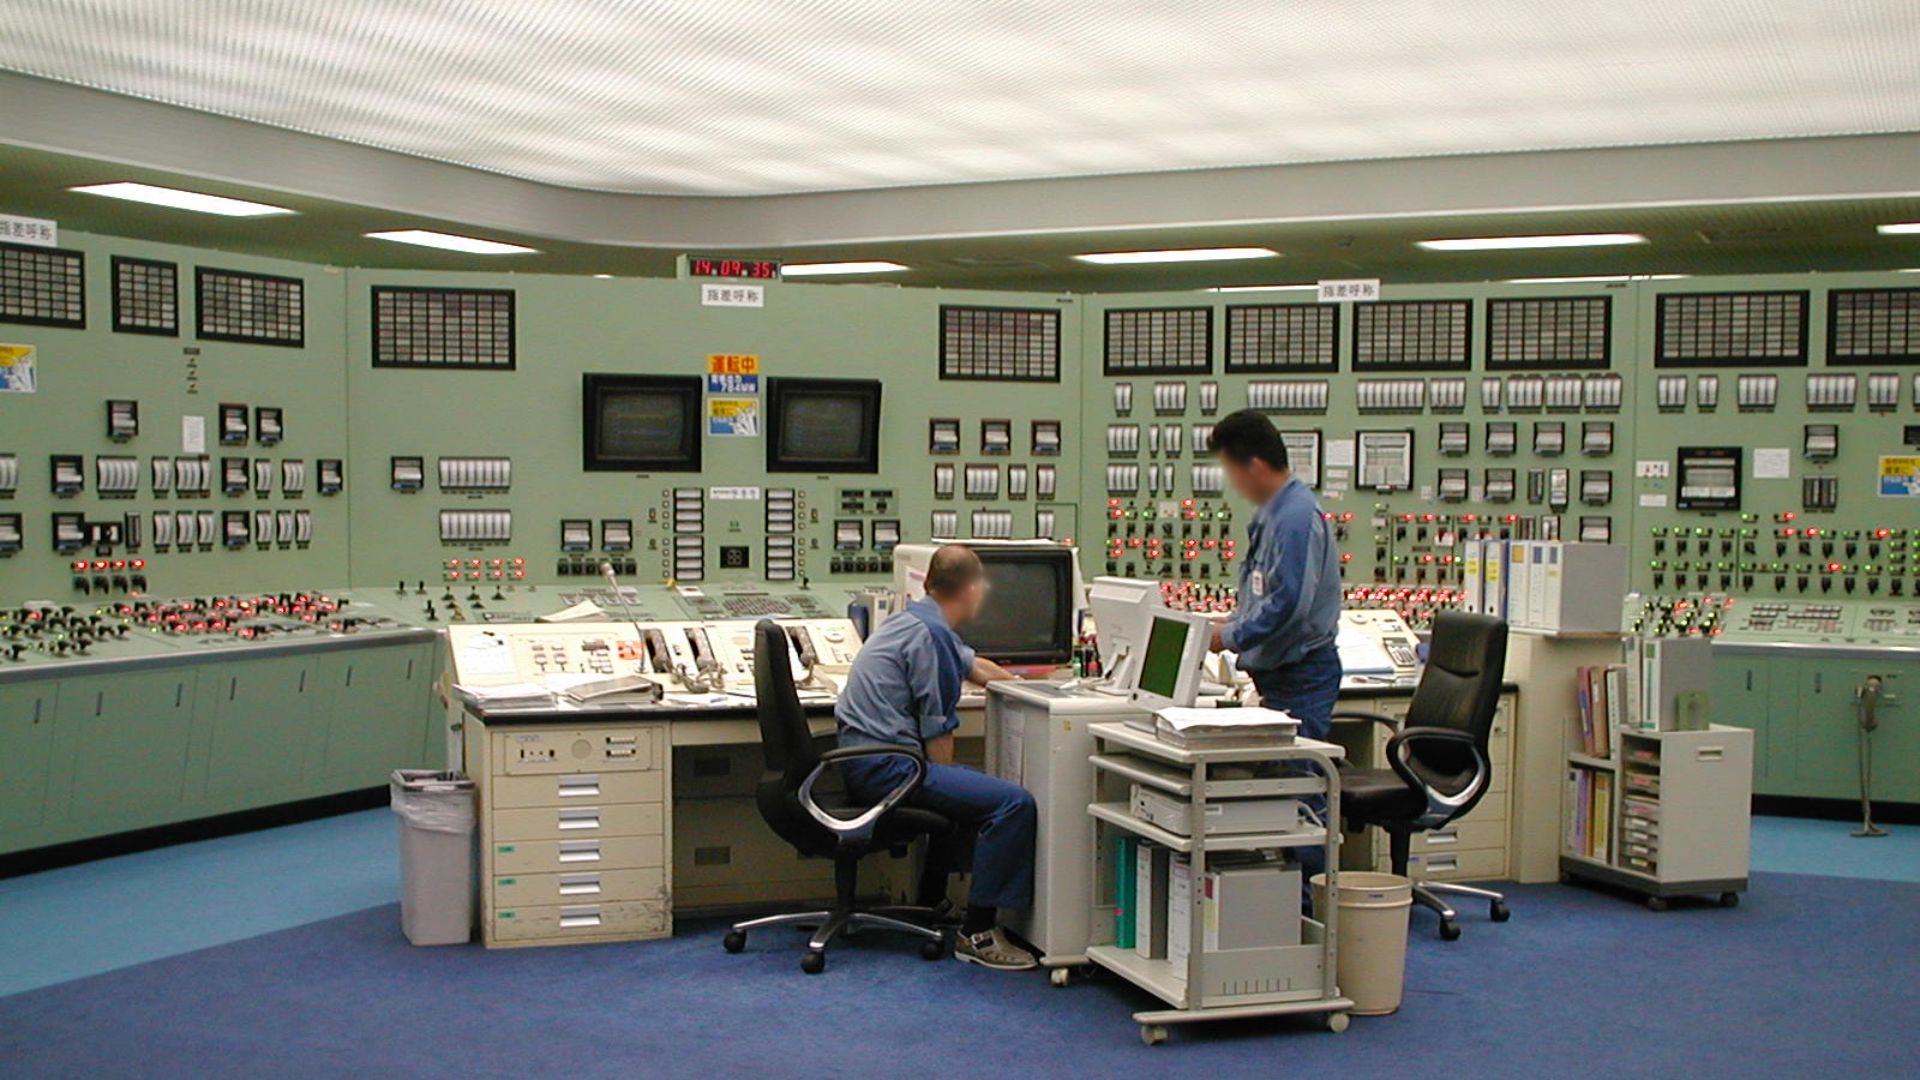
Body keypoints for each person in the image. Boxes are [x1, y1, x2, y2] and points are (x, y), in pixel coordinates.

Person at [835, 544, 1039, 971]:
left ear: (928, 583)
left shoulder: (915, 620)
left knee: (966, 789)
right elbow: (938, 733)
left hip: (865, 760)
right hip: (888, 768)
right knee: (1012, 803)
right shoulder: (933, 634)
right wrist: (952, 790)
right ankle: (977, 933)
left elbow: (975, 666)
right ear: (973, 591)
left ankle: (933, 904)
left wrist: (1036, 692)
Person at [1207, 409, 1344, 890]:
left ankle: (1312, 912)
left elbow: (1289, 605)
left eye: (1232, 471)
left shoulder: (1295, 517)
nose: (1233, 484)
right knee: (1281, 799)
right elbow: (1263, 594)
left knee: (1300, 801)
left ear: (1254, 466)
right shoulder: (1272, 515)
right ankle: (1288, 909)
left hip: (1301, 676)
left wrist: (1230, 636)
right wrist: (1228, 623)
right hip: (1278, 677)